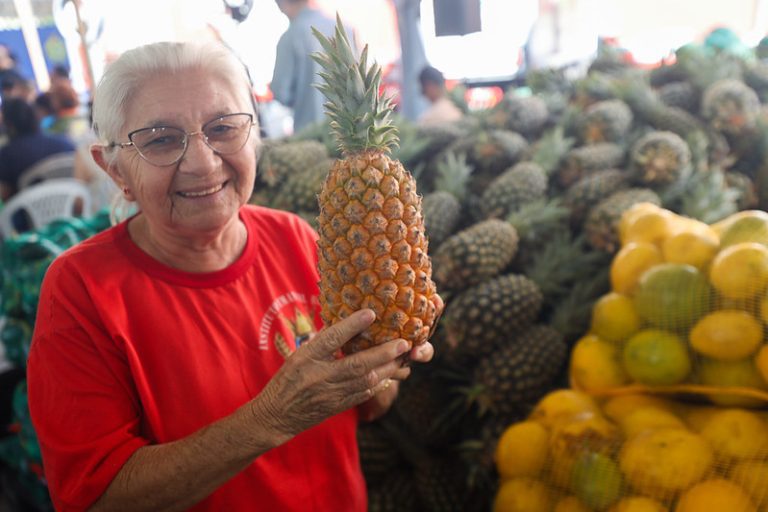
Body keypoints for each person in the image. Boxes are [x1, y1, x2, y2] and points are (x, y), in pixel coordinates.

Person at [26, 40, 439, 512]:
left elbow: (369, 407)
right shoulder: (79, 290)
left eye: (223, 128)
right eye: (160, 139)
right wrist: (270, 418)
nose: (202, 163)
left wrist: (391, 356)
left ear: (256, 135)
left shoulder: (296, 238)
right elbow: (92, 499)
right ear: (114, 167)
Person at [271, 0, 357, 133]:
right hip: (349, 134)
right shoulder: (346, 29)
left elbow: (281, 93)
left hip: (310, 135)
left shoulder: (290, 37)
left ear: (281, 5)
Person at [0, 98, 75, 201]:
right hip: (70, 208)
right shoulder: (65, 143)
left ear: (8, 125)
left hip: (27, 214)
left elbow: (5, 194)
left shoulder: (7, 154)